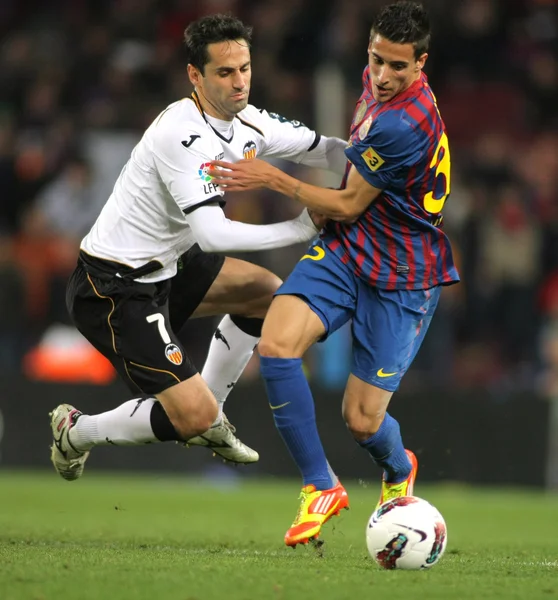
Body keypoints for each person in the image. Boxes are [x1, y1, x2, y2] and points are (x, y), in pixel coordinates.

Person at [49, 14, 348, 481]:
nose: (239, 83)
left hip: (169, 266)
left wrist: (382, 165)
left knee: (267, 296)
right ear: (195, 75)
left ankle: (212, 415)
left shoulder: (249, 121)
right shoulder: (180, 134)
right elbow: (214, 235)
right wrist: (301, 227)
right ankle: (77, 431)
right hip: (113, 287)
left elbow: (325, 150)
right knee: (189, 417)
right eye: (225, 73)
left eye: (245, 68)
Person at [210, 1, 460, 547]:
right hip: (350, 250)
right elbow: (354, 189)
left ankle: (398, 472)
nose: (384, 76)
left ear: (422, 64)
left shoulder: (405, 121)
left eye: (398, 66)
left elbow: (348, 202)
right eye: (377, 61)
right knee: (277, 342)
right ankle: (320, 485)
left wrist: (276, 179)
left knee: (362, 421)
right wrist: (334, 200)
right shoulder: (376, 91)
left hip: (401, 274)